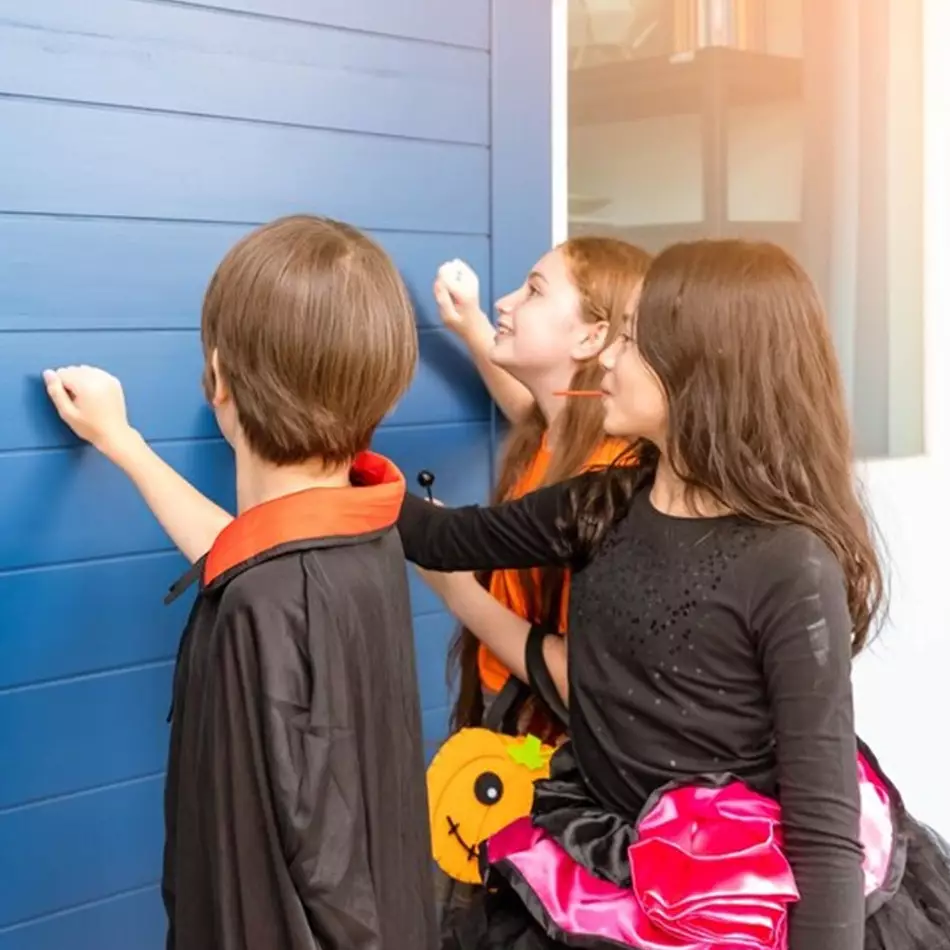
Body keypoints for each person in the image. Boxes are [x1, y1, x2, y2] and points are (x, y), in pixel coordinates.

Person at [394, 240, 950, 950]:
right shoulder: (601, 504)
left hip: (735, 904)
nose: (610, 360)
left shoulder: (789, 564)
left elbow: (822, 830)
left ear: (699, 371)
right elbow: (445, 540)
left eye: (630, 341)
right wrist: (337, 450)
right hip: (605, 874)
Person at [44, 215, 438, 950]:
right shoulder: (364, 535)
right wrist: (123, 445)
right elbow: (248, 553)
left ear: (218, 378)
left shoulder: (268, 603)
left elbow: (311, 880)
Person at [428, 239, 650, 746]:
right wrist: (471, 325)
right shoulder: (554, 433)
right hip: (507, 718)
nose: (507, 302)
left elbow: (583, 681)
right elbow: (528, 409)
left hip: (550, 756)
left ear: (593, 336)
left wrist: (455, 586)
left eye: (533, 291)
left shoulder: (608, 485)